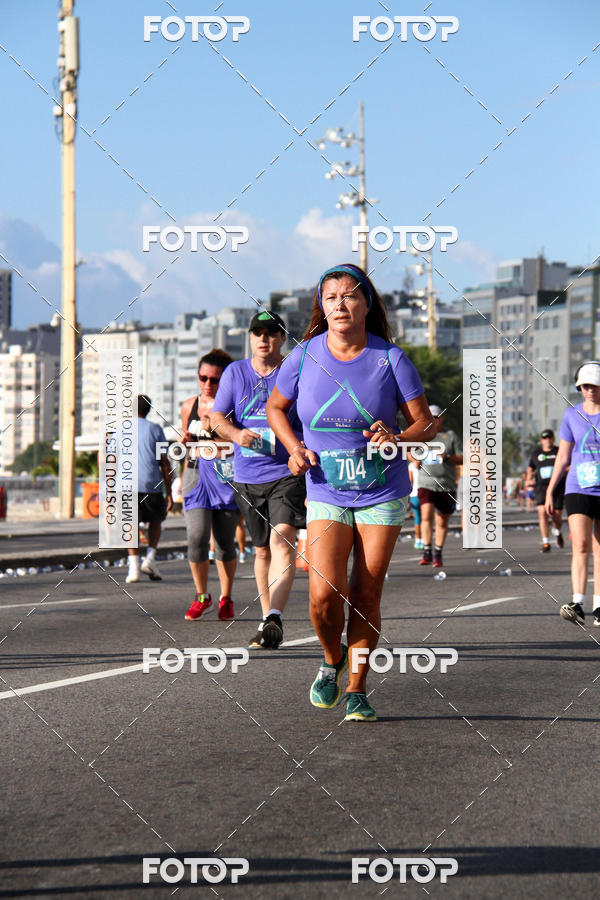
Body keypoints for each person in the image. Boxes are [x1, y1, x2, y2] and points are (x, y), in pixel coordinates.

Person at [267, 263, 433, 722]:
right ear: (321, 304)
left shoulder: (390, 359)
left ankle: (357, 687)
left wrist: (399, 440)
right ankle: (331, 659)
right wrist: (294, 447)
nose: (341, 303)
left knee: (366, 591)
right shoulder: (303, 356)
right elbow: (275, 408)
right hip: (325, 489)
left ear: (366, 304)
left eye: (351, 295)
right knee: (323, 594)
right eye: (332, 295)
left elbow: (426, 424)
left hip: (382, 490)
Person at [211, 310, 306, 649]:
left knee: (283, 540)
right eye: (257, 332)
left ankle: (276, 614)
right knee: (261, 551)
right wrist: (236, 435)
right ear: (249, 337)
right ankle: (267, 620)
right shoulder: (236, 373)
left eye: (270, 333)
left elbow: (310, 414)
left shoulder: (294, 371)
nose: (263, 339)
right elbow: (216, 417)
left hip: (285, 474)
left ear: (282, 338)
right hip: (247, 477)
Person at [180, 350, 238, 621]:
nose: (207, 384)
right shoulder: (189, 405)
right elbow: (186, 443)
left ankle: (226, 597)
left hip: (224, 474)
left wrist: (213, 431)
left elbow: (236, 445)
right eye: (203, 378)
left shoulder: (234, 406)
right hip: (194, 474)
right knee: (196, 536)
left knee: (225, 541)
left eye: (214, 380)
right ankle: (202, 596)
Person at [546, 361, 600, 627]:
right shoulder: (571, 415)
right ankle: (578, 602)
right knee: (580, 544)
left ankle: (599, 605)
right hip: (578, 486)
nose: (591, 391)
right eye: (586, 386)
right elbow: (563, 456)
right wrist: (550, 490)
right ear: (580, 387)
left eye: (595, 386)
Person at [126, 394, 173, 584]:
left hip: (126, 485)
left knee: (130, 525)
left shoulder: (121, 429)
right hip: (151, 485)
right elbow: (164, 462)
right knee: (155, 521)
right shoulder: (156, 430)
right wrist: (169, 492)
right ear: (149, 410)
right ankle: (150, 559)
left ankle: (134, 567)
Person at [414, 404, 462, 568]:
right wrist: (414, 459)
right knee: (426, 515)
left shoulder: (450, 435)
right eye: (431, 417)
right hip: (426, 482)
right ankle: (426, 551)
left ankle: (438, 552)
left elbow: (462, 458)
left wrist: (447, 456)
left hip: (446, 484)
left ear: (441, 418)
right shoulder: (421, 434)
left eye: (437, 417)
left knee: (442, 521)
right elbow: (405, 446)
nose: (434, 420)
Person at [526, 429, 566, 552]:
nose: (547, 440)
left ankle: (557, 531)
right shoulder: (536, 453)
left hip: (557, 487)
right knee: (542, 513)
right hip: (541, 488)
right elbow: (530, 468)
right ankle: (546, 543)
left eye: (549, 437)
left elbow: (568, 464)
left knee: (556, 515)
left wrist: (565, 471)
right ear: (541, 440)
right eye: (544, 438)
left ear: (553, 439)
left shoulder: (559, 451)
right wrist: (529, 478)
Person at [407, 457, 423, 549]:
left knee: (417, 518)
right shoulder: (425, 463)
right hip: (425, 492)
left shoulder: (411, 465)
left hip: (414, 495)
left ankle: (418, 540)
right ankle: (425, 539)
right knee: (426, 519)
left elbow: (411, 481)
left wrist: (408, 496)